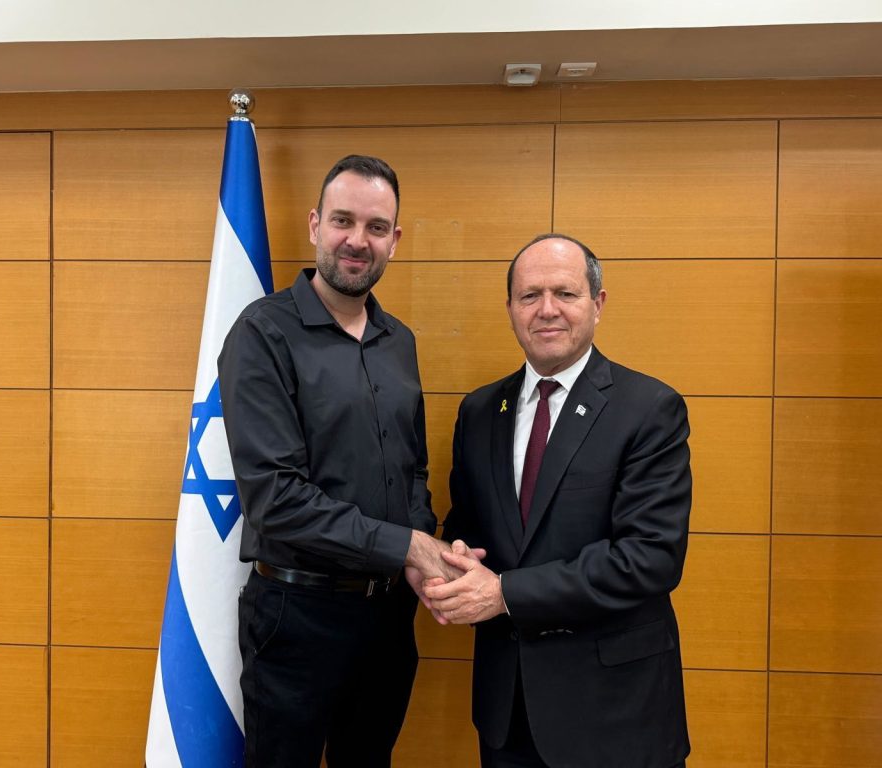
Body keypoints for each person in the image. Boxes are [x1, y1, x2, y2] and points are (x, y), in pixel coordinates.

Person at [218, 155, 457, 768]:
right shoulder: (262, 334)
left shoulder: (399, 341)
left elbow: (412, 470)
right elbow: (275, 499)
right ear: (315, 225)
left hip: (388, 616)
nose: (357, 240)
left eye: (376, 227)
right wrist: (408, 546)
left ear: (394, 241)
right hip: (297, 616)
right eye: (343, 220)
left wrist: (421, 551)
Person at [425, 234, 691, 768]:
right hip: (508, 712)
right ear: (510, 308)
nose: (547, 310)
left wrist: (505, 593)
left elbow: (649, 558)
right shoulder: (480, 411)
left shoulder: (649, 409)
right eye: (530, 296)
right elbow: (468, 526)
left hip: (615, 712)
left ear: (598, 303)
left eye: (565, 293)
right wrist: (453, 563)